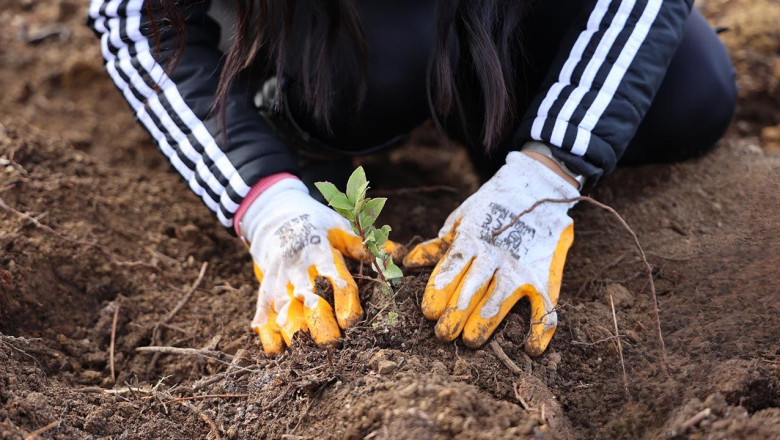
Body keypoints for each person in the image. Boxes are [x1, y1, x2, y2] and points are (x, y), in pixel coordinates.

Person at [87, 0, 736, 357]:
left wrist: (548, 169)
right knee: (374, 63)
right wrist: (268, 201)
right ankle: (292, 115)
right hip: (315, 35)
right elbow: (130, 15)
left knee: (687, 93)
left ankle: (495, 112)